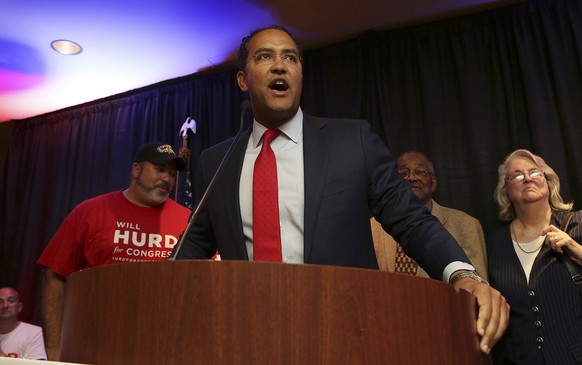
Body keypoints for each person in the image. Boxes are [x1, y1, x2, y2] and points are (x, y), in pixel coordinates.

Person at [172, 25, 508, 354]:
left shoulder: (352, 142)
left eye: (291, 58)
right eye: (264, 56)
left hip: (346, 336)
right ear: (243, 79)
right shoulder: (216, 161)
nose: (280, 65)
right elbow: (194, 245)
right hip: (248, 339)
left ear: (300, 74)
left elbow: (412, 221)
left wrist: (463, 274)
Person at [37, 142, 191, 360]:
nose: (167, 179)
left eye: (172, 173)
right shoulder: (89, 212)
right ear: (136, 170)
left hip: (165, 346)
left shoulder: (188, 220)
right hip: (96, 344)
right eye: (159, 169)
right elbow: (54, 277)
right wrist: (54, 349)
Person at [487, 149, 582, 364]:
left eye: (535, 172)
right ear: (506, 190)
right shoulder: (495, 243)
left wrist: (576, 248)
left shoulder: (578, 223)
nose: (528, 178)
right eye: (517, 175)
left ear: (548, 182)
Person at [371, 151, 488, 278]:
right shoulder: (373, 226)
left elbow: (477, 284)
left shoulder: (466, 225)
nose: (411, 177)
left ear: (433, 183)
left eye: (420, 171)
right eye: (403, 173)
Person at [0, 287, 47, 360]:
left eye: (11, 301)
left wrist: (2, 355)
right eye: (0, 302)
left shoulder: (32, 332)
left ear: (19, 307)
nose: (5, 305)